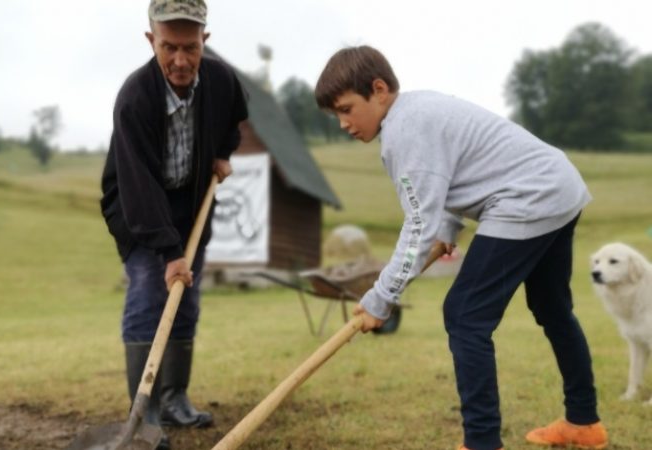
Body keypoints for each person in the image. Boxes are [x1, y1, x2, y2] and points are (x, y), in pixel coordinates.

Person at [314, 45, 608, 450]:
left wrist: (381, 298)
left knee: (465, 314)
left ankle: (482, 442)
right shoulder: (418, 111)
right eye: (336, 116)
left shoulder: (405, 131)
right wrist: (450, 225)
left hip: (528, 197)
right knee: (552, 308)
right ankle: (583, 423)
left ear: (379, 89)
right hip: (559, 185)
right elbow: (458, 176)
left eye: (347, 109)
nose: (343, 124)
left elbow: (419, 225)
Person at [100, 1, 247, 448]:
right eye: (169, 47)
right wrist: (169, 254)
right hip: (139, 210)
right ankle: (143, 421)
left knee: (186, 299)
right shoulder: (135, 99)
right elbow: (138, 188)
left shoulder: (221, 80)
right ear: (151, 41)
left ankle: (175, 397)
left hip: (192, 206)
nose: (180, 60)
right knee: (150, 295)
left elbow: (234, 120)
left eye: (190, 47)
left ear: (205, 40)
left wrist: (223, 153)